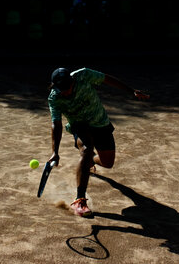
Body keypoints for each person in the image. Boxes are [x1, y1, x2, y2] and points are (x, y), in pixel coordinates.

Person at [47, 67, 150, 217]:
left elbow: (107, 79)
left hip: (100, 122)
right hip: (79, 125)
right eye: (61, 89)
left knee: (108, 163)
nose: (65, 92)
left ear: (72, 81)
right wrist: (55, 152)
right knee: (86, 149)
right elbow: (56, 124)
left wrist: (131, 90)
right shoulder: (54, 97)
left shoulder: (83, 75)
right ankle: (79, 200)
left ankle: (90, 161)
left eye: (67, 88)